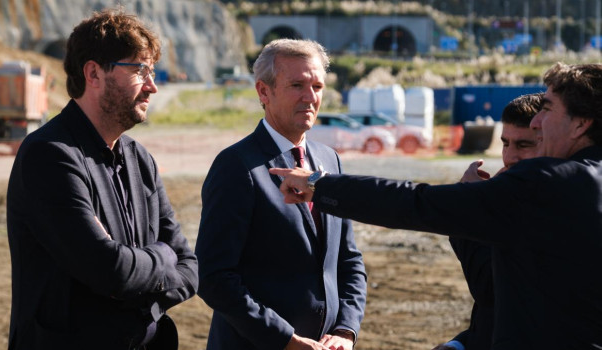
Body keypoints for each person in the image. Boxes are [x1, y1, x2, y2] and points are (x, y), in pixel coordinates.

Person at [270, 62, 602, 349]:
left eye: (547, 108)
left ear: (580, 123)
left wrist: (319, 185)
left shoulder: (547, 183)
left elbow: (416, 203)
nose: (536, 122)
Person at [6, 9, 198, 350]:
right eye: (139, 70)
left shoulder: (141, 160)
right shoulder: (49, 155)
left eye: (151, 71)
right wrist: (161, 258)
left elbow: (190, 269)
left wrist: (136, 271)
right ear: (93, 73)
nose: (152, 86)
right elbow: (109, 269)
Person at [195, 38, 367, 350]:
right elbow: (214, 278)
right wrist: (285, 340)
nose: (310, 97)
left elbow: (349, 259)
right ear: (264, 91)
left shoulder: (330, 159)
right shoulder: (236, 166)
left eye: (317, 86)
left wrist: (345, 330)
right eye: (297, 85)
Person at [434, 92, 543, 350]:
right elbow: (494, 313)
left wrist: (469, 206)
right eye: (506, 144)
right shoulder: (514, 197)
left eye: (524, 145)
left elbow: (489, 289)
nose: (511, 157)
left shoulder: (552, 206)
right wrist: (459, 345)